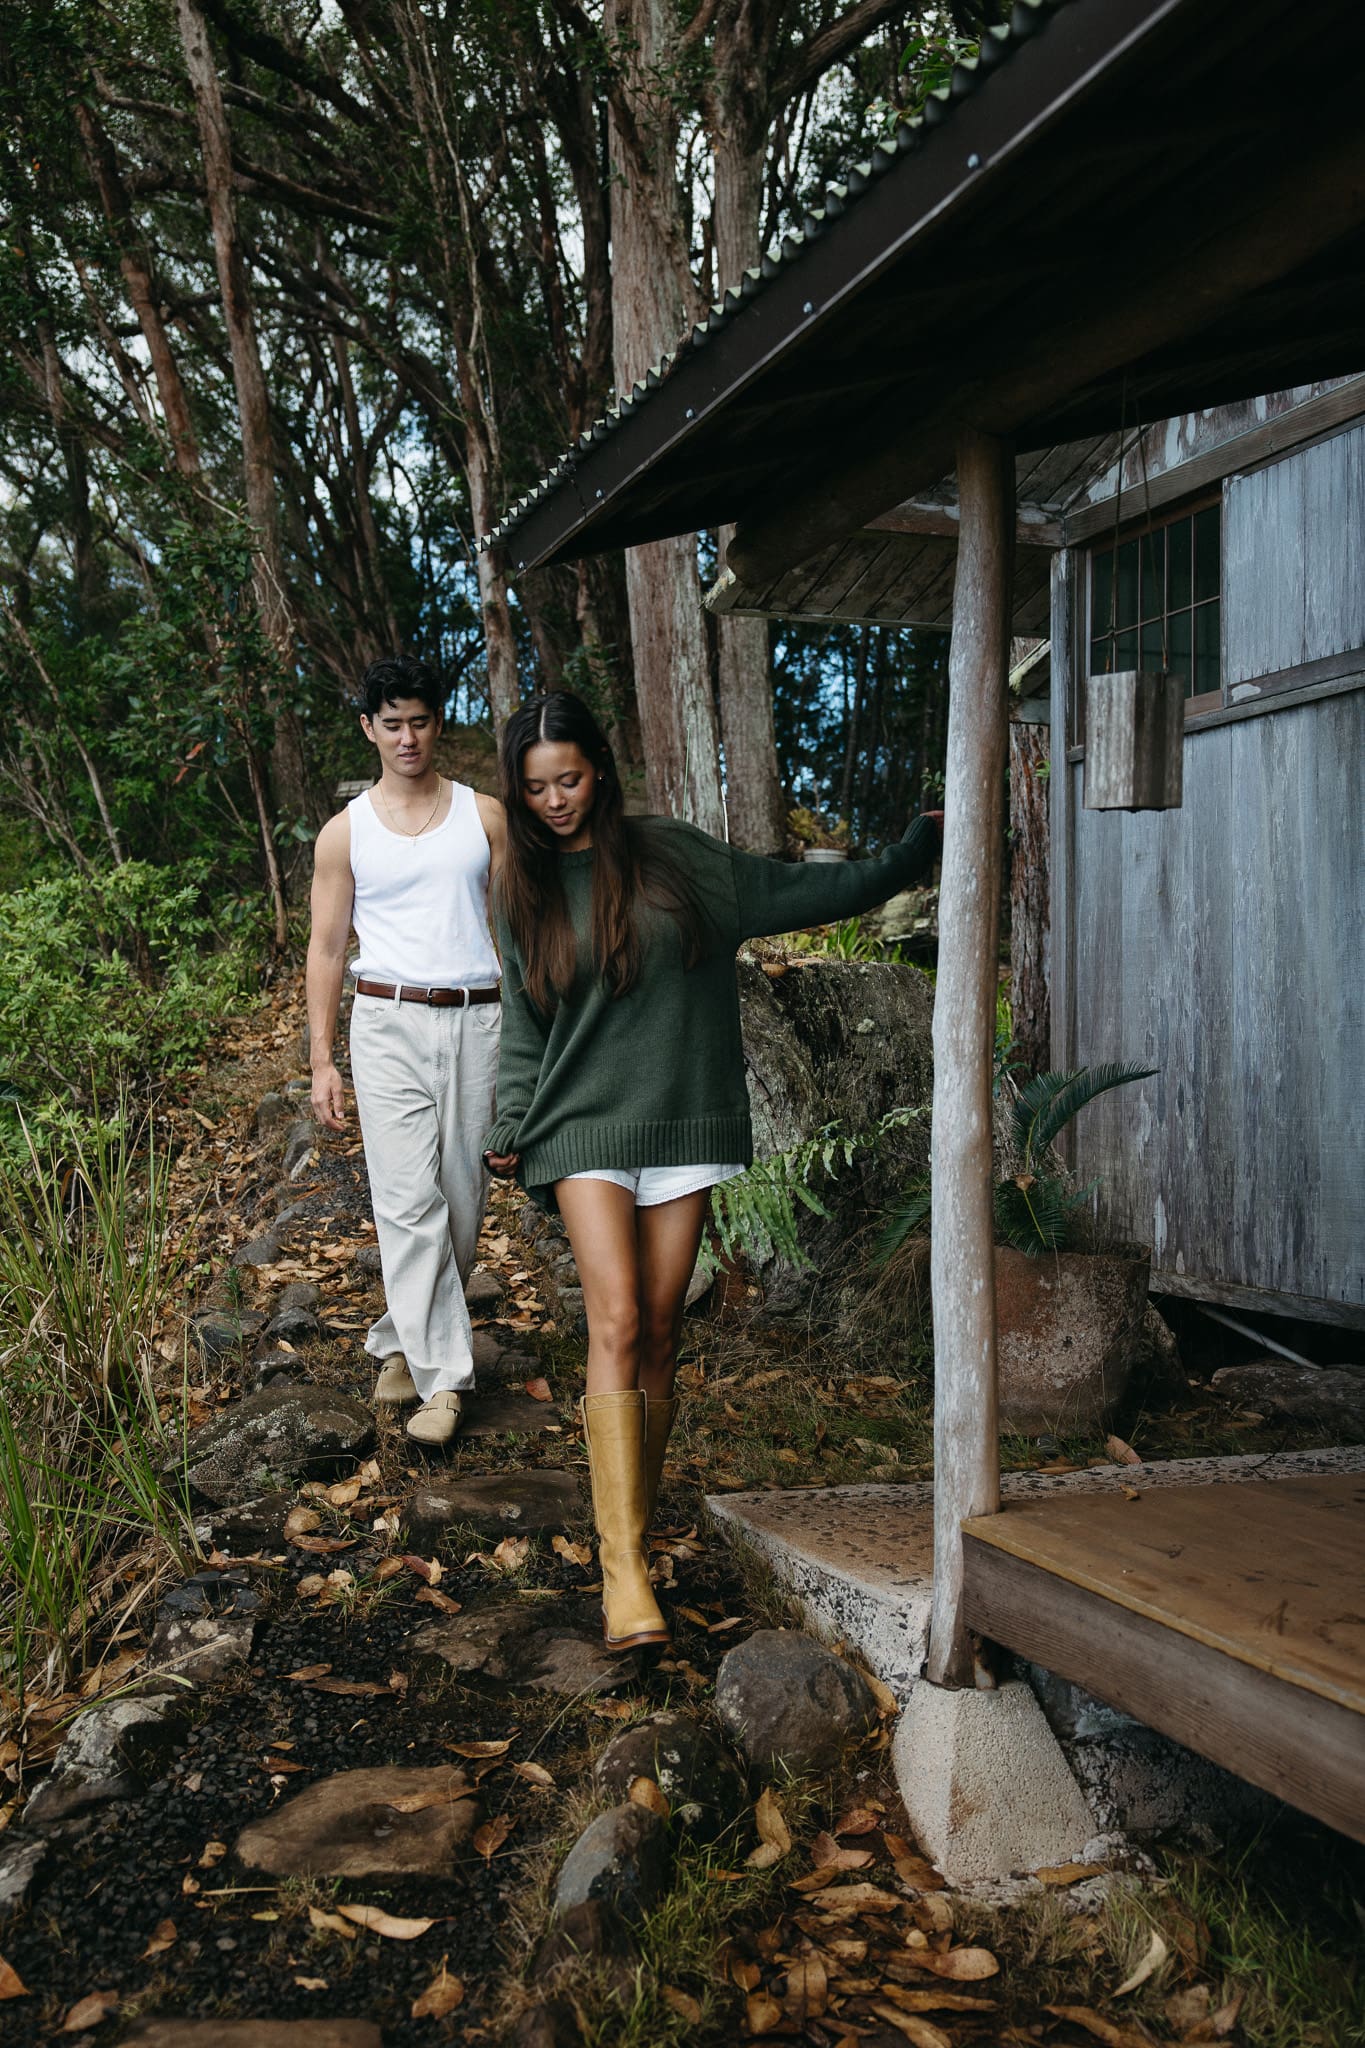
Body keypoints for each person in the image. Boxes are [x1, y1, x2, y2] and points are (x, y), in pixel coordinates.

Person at [482, 691, 941, 1651]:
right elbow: (524, 1026)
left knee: (658, 1327)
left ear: (597, 770)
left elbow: (796, 892)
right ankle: (624, 1572)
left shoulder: (672, 859)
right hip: (577, 1127)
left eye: (567, 779)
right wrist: (509, 1118)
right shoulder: (519, 886)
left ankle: (634, 1527)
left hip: (677, 1119)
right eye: (534, 789)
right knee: (611, 1318)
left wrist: (907, 854)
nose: (554, 801)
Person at [307, 655, 506, 1448]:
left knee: (460, 1206)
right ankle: (446, 1381)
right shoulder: (344, 832)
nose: (407, 737)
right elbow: (326, 948)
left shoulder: (483, 816)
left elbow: (522, 933)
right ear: (369, 728)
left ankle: (396, 1341)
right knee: (405, 1202)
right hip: (385, 1020)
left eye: (419, 721)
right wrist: (322, 1059)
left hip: (479, 1020)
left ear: (437, 723)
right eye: (391, 723)